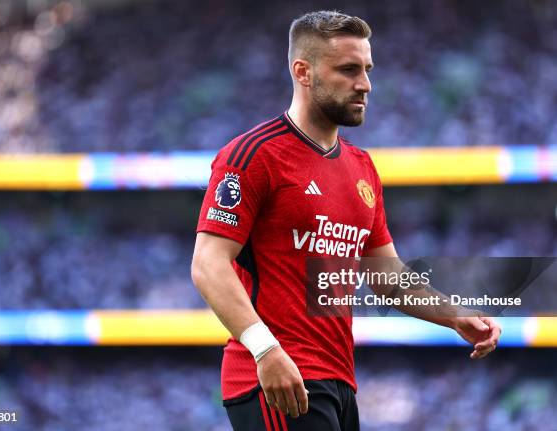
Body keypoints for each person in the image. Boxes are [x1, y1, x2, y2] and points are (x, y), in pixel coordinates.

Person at [191, 10, 501, 431]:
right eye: (348, 70)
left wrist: (452, 314)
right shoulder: (253, 155)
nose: (365, 84)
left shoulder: (362, 167)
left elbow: (387, 275)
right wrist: (265, 350)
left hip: (338, 382)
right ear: (303, 71)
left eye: (367, 69)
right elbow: (208, 263)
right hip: (279, 379)